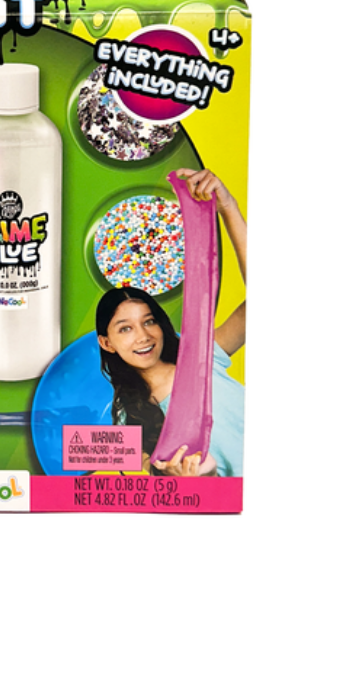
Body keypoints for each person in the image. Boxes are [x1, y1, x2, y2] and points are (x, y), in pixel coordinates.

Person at [96, 168, 246, 476]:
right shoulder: (129, 421)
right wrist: (195, 481)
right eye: (125, 328)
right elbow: (171, 491)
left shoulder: (201, 357)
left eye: (149, 321)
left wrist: (229, 208)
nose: (143, 336)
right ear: (106, 343)